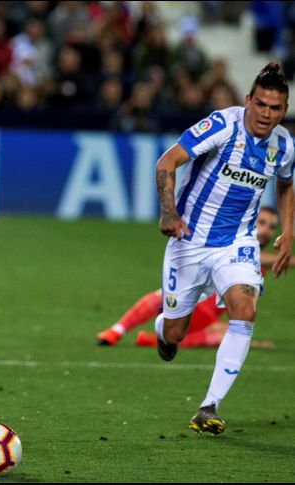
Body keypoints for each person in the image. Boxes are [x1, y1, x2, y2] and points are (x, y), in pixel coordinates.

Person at [154, 62, 293, 435]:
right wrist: (169, 211)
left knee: (245, 311)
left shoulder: (283, 145)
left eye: (275, 108)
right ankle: (162, 330)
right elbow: (167, 161)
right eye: (261, 104)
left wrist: (289, 232)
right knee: (175, 334)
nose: (266, 114)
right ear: (248, 101)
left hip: (237, 241)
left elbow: (285, 184)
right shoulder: (221, 125)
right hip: (189, 239)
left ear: (284, 110)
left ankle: (209, 405)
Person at [96, 207, 291, 348]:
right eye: (262, 223)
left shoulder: (247, 249)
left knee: (163, 297)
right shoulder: (239, 247)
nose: (267, 230)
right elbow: (262, 258)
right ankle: (137, 336)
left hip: (205, 312)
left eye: (272, 227)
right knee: (222, 334)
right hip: (200, 307)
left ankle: (118, 330)